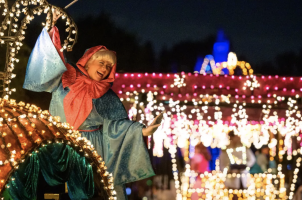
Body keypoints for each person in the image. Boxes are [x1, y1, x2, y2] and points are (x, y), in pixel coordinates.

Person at [23, 10, 163, 200]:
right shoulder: (67, 78)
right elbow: (51, 60)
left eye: (109, 66)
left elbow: (116, 125)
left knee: (110, 189)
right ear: (87, 62)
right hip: (64, 144)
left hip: (97, 146)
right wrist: (50, 29)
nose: (105, 68)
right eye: (101, 62)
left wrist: (140, 131)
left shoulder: (106, 95)